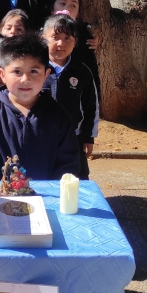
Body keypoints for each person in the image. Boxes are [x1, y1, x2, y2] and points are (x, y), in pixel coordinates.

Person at [0, 32, 80, 180]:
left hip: (46, 198)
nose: (25, 79)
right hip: (0, 197)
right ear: (2, 74)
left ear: (46, 74)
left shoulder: (59, 117)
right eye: (17, 72)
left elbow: (68, 166)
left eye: (33, 71)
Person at [41, 14, 99, 180]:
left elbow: (91, 106)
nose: (61, 43)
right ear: (43, 38)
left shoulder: (82, 71)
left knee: (76, 177)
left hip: (74, 136)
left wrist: (88, 137)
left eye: (67, 38)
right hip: (41, 135)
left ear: (75, 42)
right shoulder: (35, 69)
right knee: (43, 176)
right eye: (55, 37)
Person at [51, 0, 101, 95]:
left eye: (73, 5)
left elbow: (91, 68)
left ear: (78, 13)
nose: (67, 8)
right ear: (52, 8)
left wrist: (95, 97)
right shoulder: (44, 33)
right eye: (62, 3)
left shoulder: (85, 35)